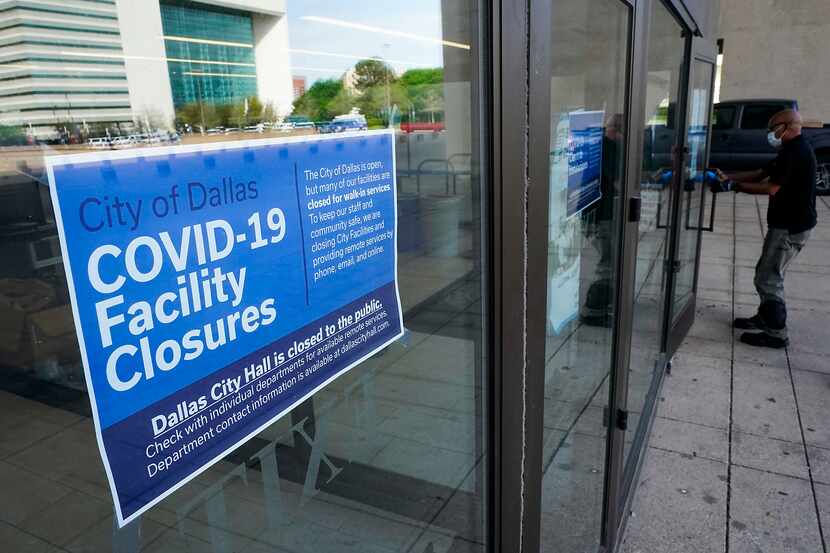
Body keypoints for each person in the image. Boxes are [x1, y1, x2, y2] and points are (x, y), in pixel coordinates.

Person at [712, 109, 817, 348]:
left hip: (790, 226)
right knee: (766, 271)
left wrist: (733, 187)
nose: (770, 134)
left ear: (788, 126)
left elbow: (771, 188)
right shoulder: (789, 150)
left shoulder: (797, 152)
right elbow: (761, 173)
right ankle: (765, 317)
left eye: (774, 129)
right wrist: (728, 177)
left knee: (768, 278)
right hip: (788, 223)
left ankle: (776, 334)